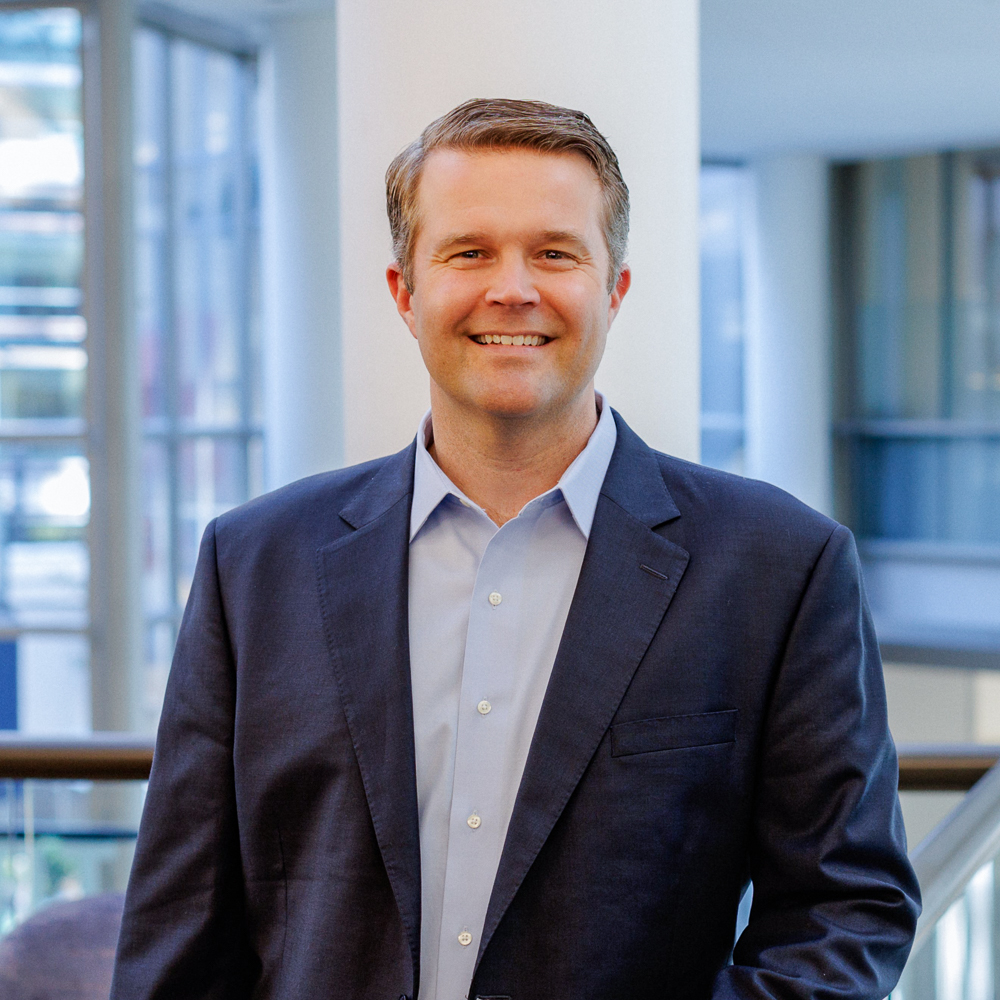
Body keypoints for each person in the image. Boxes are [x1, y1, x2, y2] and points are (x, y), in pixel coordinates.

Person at [111, 99, 920, 1000]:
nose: (513, 289)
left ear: (614, 289)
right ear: (403, 292)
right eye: (469, 252)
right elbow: (180, 929)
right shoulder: (253, 565)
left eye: (555, 252)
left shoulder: (779, 567)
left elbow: (848, 911)